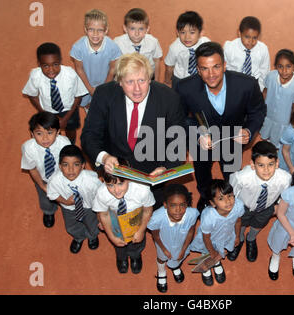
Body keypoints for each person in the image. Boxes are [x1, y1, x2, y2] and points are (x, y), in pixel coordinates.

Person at [81, 53, 186, 209]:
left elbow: (178, 144)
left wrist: (165, 168)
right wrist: (104, 157)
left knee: (150, 216)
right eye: (130, 82)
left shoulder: (169, 99)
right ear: (120, 82)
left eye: (142, 81)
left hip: (153, 175)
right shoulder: (103, 94)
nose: (137, 89)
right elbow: (89, 136)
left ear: (150, 79)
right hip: (116, 176)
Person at [175, 41, 265, 211]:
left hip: (233, 142)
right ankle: (205, 196)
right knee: (202, 174)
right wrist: (198, 134)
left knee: (231, 175)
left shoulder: (247, 85)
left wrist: (248, 130)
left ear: (224, 65)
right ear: (198, 70)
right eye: (204, 69)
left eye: (216, 67)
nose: (211, 74)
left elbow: (258, 111)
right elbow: (179, 118)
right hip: (202, 143)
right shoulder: (185, 88)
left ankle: (230, 197)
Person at [228, 141, 291, 262]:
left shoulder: (285, 178)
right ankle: (240, 238)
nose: (266, 170)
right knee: (241, 223)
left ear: (277, 163)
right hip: (243, 206)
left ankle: (251, 238)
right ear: (252, 165)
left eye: (271, 164)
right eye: (261, 165)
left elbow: (285, 195)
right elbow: (232, 192)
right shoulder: (241, 177)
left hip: (266, 207)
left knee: (259, 224)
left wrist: (278, 205)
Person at [22, 42, 88, 144]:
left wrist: (66, 118)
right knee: (52, 132)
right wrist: (43, 112)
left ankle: (71, 144)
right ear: (39, 64)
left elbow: (78, 96)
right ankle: (57, 145)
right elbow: (32, 95)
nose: (51, 70)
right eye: (46, 66)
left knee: (70, 128)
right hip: (48, 111)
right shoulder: (35, 76)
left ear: (60, 62)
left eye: (55, 64)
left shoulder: (70, 74)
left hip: (69, 110)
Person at [92, 170, 155, 274]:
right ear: (104, 182)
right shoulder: (102, 193)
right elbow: (104, 214)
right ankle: (122, 258)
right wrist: (112, 236)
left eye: (120, 183)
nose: (116, 190)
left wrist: (141, 230)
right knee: (119, 245)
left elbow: (148, 210)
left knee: (137, 243)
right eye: (110, 185)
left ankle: (135, 256)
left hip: (136, 222)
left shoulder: (142, 189)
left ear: (129, 179)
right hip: (115, 221)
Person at [46, 145, 102, 253]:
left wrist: (100, 212)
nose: (71, 170)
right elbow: (52, 194)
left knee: (92, 223)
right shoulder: (54, 180)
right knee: (71, 225)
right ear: (60, 166)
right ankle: (78, 237)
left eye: (76, 165)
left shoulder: (91, 180)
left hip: (89, 207)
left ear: (82, 166)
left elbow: (100, 195)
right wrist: (66, 202)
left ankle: (92, 236)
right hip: (68, 208)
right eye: (65, 165)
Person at [21, 112, 71, 228]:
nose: (45, 138)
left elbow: (68, 164)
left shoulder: (64, 143)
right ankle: (49, 211)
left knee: (67, 198)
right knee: (45, 199)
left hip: (62, 177)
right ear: (32, 134)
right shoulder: (28, 148)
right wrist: (43, 186)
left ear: (58, 132)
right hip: (43, 178)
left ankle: (68, 212)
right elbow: (32, 169)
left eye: (50, 132)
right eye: (39, 133)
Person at [190, 180, 244, 286]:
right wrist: (212, 252)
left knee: (220, 251)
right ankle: (206, 267)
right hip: (209, 240)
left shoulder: (238, 206)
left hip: (226, 235)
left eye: (230, 196)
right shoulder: (208, 216)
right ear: (213, 203)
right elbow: (206, 238)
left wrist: (237, 236)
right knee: (207, 253)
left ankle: (217, 262)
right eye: (221, 198)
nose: (228, 201)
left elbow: (238, 221)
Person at [147, 184, 199, 293]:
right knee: (161, 258)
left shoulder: (192, 214)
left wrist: (184, 249)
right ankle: (161, 272)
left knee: (178, 257)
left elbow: (190, 231)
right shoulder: (157, 217)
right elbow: (155, 235)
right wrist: (164, 249)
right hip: (163, 243)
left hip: (180, 243)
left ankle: (175, 267)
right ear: (165, 205)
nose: (178, 210)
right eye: (173, 205)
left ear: (187, 204)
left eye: (182, 205)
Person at [70, 9, 122, 112]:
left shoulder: (112, 47)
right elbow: (79, 69)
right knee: (90, 108)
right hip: (86, 84)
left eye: (100, 30)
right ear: (85, 29)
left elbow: (112, 69)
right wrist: (90, 89)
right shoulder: (78, 47)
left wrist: (103, 89)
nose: (95, 34)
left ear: (106, 30)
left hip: (106, 83)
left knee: (107, 109)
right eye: (91, 29)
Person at [260, 49, 294, 148]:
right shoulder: (271, 76)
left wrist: (292, 124)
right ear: (275, 66)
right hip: (267, 115)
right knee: (264, 136)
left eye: (288, 66)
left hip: (283, 122)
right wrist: (260, 108)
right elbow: (265, 92)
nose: (284, 71)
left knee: (277, 144)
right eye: (280, 67)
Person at [164, 11, 210, 88]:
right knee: (178, 98)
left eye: (192, 32)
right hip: (180, 79)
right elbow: (169, 67)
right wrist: (167, 82)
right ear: (177, 33)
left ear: (201, 33)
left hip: (199, 77)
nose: (187, 37)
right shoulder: (174, 47)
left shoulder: (206, 43)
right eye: (183, 32)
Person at [114, 8, 163, 81]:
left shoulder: (153, 42)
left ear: (147, 29)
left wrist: (156, 81)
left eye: (141, 29)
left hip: (148, 76)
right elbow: (115, 64)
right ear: (125, 28)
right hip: (126, 77)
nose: (137, 33)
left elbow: (156, 61)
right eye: (132, 28)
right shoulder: (118, 42)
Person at [224, 16, 270, 92]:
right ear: (239, 33)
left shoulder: (263, 49)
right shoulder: (229, 47)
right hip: (234, 82)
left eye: (255, 38)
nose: (251, 41)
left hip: (254, 83)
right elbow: (225, 68)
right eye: (247, 37)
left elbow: (264, 72)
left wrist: (259, 89)